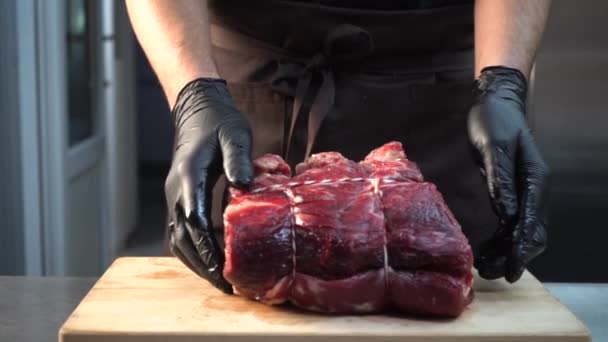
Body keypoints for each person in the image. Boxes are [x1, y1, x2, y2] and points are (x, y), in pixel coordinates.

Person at [126, 0, 551, 293]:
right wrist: (195, 93)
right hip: (248, 99)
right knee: (234, 279)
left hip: (445, 101)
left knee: (446, 281)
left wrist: (503, 81)